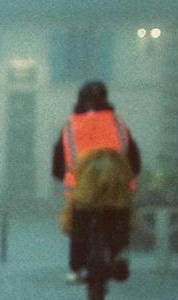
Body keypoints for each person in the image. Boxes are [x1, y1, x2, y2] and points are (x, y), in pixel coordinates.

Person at [52, 80, 141, 282]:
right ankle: (120, 254)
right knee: (118, 219)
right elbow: (134, 160)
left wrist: (65, 177)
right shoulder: (118, 123)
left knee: (79, 226)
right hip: (115, 187)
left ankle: (77, 269)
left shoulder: (70, 126)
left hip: (82, 188)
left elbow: (57, 164)